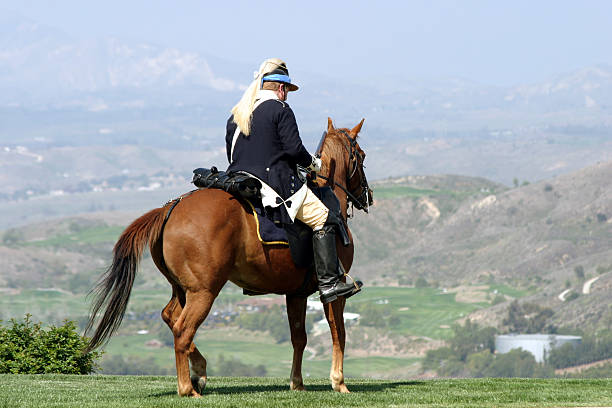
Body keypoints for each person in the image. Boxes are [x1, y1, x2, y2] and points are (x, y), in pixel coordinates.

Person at [225, 58, 362, 304]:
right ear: (280, 88)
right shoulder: (280, 110)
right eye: (287, 90)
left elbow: (232, 154)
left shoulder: (237, 115)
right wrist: (314, 164)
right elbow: (293, 150)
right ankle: (329, 283)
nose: (287, 95)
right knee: (323, 217)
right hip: (273, 183)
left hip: (239, 181)